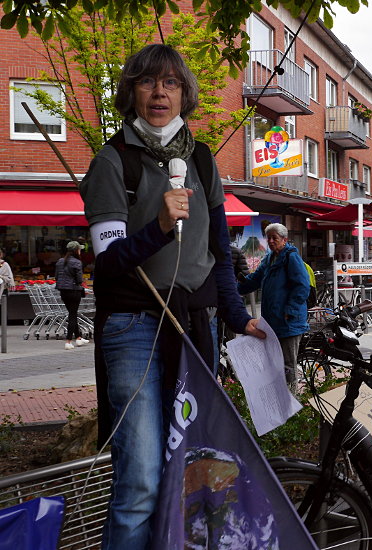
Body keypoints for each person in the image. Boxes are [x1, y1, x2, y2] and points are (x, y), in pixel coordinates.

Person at [79, 44, 265, 550]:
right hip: (134, 329)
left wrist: (236, 315)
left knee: (191, 470)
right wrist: (160, 227)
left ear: (185, 93)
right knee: (139, 480)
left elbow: (219, 252)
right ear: (131, 93)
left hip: (193, 327)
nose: (159, 92)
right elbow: (111, 262)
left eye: (170, 84)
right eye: (147, 82)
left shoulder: (202, 161)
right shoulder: (112, 163)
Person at [238, 223, 309, 389]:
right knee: (274, 363)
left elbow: (302, 285)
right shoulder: (269, 259)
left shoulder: (291, 257)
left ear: (284, 240)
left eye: (274, 238)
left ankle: (291, 401)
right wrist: (233, 290)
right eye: (268, 237)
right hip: (273, 321)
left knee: (287, 364)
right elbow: (254, 280)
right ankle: (278, 399)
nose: (270, 241)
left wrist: (290, 310)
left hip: (288, 321)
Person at [54, 241, 89, 350]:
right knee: (73, 315)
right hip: (74, 291)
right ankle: (68, 341)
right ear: (76, 250)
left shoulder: (60, 261)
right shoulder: (77, 262)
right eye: (79, 249)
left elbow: (56, 277)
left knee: (72, 313)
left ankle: (78, 338)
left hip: (63, 291)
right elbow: (79, 279)